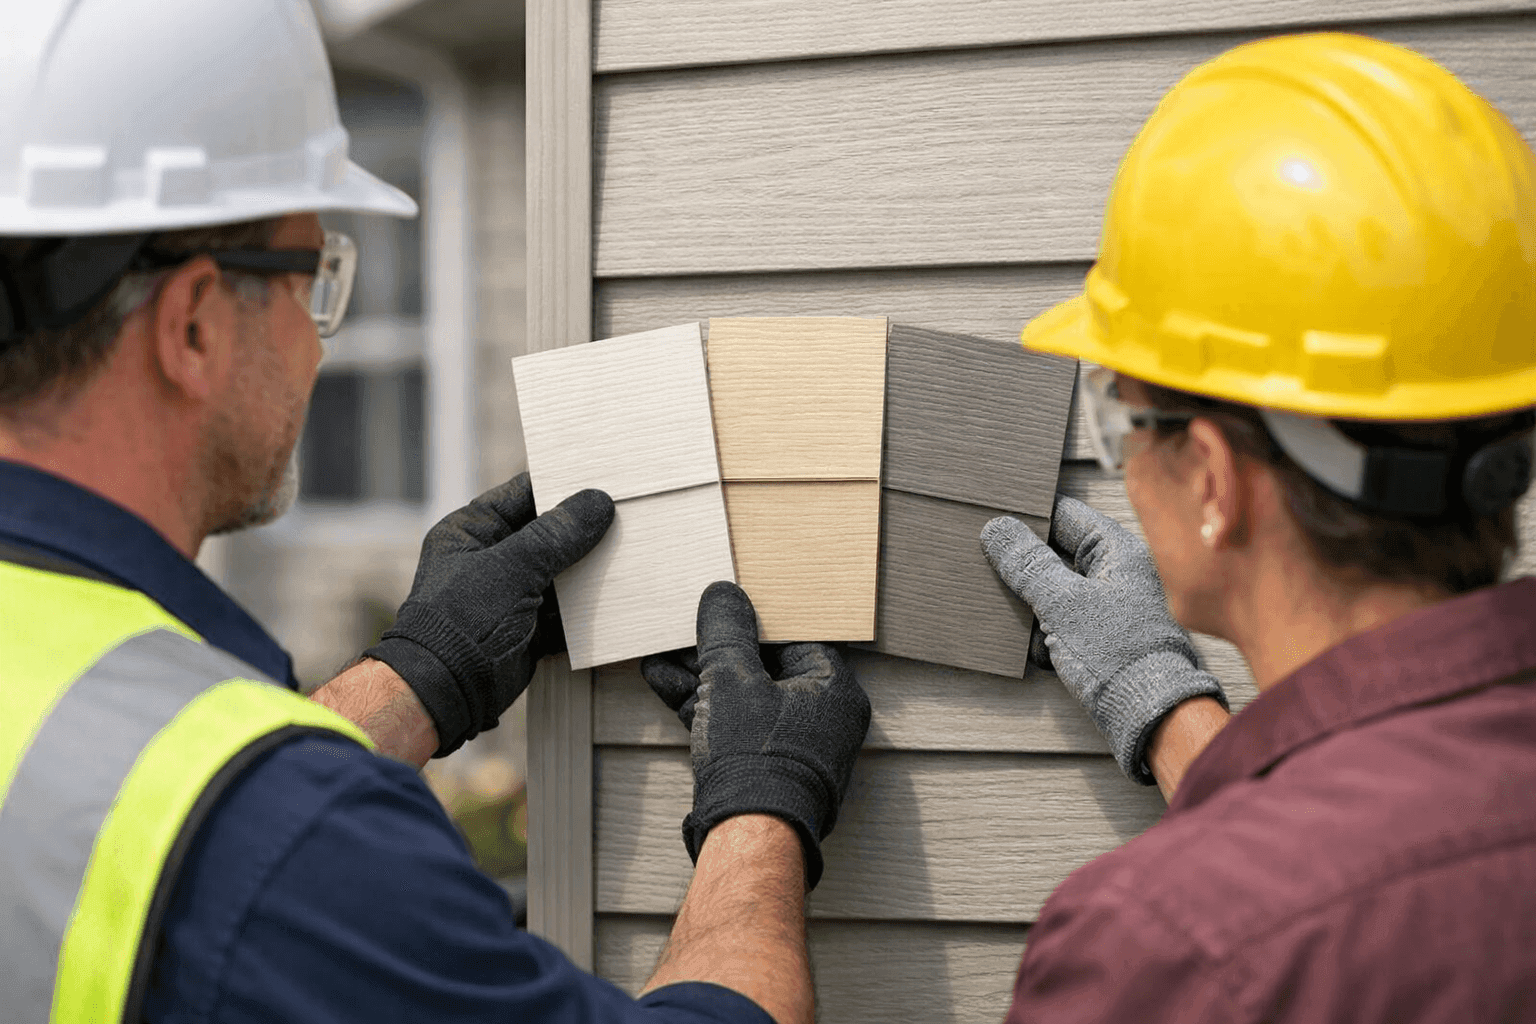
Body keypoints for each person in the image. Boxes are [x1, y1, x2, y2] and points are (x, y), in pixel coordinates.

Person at [0, 2, 869, 1022]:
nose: (317, 340)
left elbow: (123, 798)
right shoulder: (300, 844)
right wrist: (760, 810)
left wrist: (414, 676)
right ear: (192, 324)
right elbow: (220, 831)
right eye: (313, 279)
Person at [978, 32, 1536, 1020]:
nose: (1120, 460)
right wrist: (1162, 695)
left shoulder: (1156, 952)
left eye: (1122, 419)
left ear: (1213, 478)